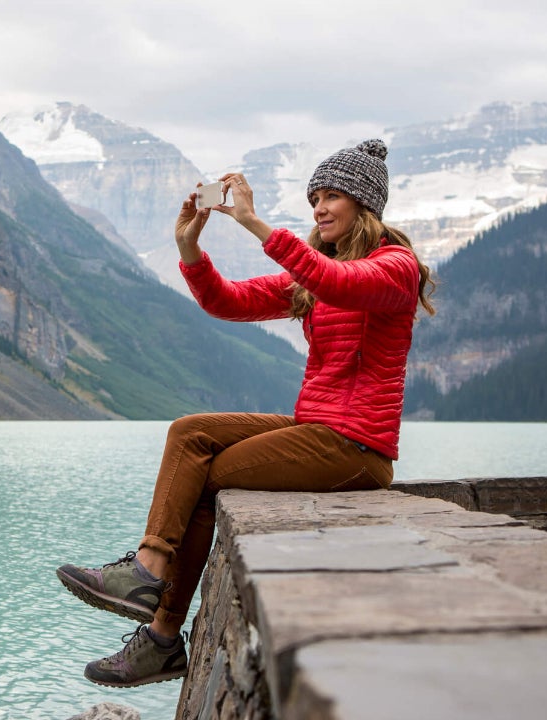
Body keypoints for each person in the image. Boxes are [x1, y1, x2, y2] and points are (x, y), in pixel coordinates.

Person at [56, 139, 436, 688]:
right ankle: (149, 570)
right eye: (315, 198)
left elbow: (340, 284)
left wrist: (254, 223)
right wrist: (189, 249)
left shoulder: (394, 267)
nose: (320, 209)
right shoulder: (316, 273)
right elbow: (227, 301)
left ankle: (161, 633)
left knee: (207, 479)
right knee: (191, 433)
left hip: (357, 448)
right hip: (317, 430)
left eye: (333, 197)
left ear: (364, 204)